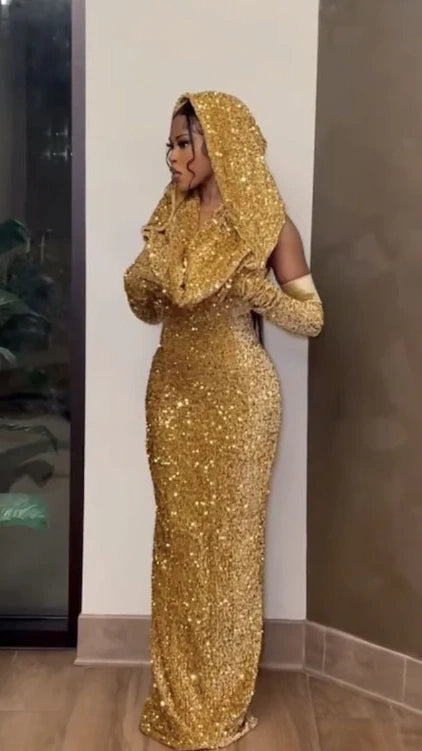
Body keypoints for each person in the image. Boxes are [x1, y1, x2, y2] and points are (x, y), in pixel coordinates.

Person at [123, 91, 323, 750]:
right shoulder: (171, 218)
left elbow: (311, 319)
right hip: (172, 396)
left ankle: (219, 703)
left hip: (240, 402)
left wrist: (261, 292)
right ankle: (178, 694)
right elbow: (147, 307)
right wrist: (143, 282)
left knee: (231, 552)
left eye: (185, 143)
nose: (174, 156)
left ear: (222, 144)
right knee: (180, 544)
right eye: (171, 145)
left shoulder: (267, 225)